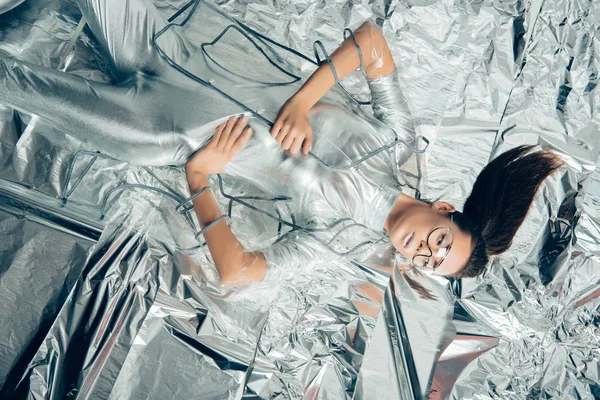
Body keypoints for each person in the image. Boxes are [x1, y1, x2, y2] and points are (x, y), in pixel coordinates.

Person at [0, 0, 563, 286]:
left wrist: (199, 178)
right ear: (443, 208)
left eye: (430, 263)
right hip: (168, 48)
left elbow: (238, 272)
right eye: (441, 240)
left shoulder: (342, 243)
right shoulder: (398, 144)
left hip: (157, 130)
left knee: (15, 83)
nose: (424, 251)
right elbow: (370, 42)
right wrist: (301, 100)